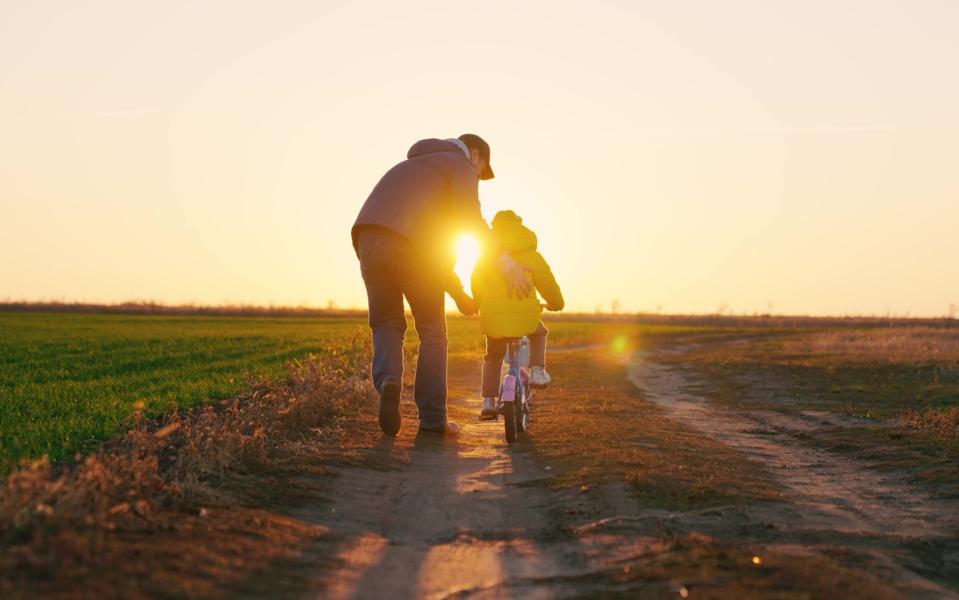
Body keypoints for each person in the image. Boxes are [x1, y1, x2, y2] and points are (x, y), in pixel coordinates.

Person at [352, 134, 531, 437]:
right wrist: (508, 265)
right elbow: (470, 223)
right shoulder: (458, 165)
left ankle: (389, 384)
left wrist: (459, 293)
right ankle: (433, 420)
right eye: (481, 168)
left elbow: (437, 249)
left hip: (368, 239)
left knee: (385, 324)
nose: (478, 175)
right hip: (411, 248)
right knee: (433, 332)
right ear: (474, 153)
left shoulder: (413, 168)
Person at [470, 210, 565, 419]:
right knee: (539, 332)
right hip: (526, 317)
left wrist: (478, 303)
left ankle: (488, 402)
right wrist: (556, 303)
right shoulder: (532, 254)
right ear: (519, 226)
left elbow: (475, 281)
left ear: (494, 226)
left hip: (494, 317)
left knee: (493, 355)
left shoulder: (487, 255)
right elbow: (547, 283)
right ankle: (537, 371)